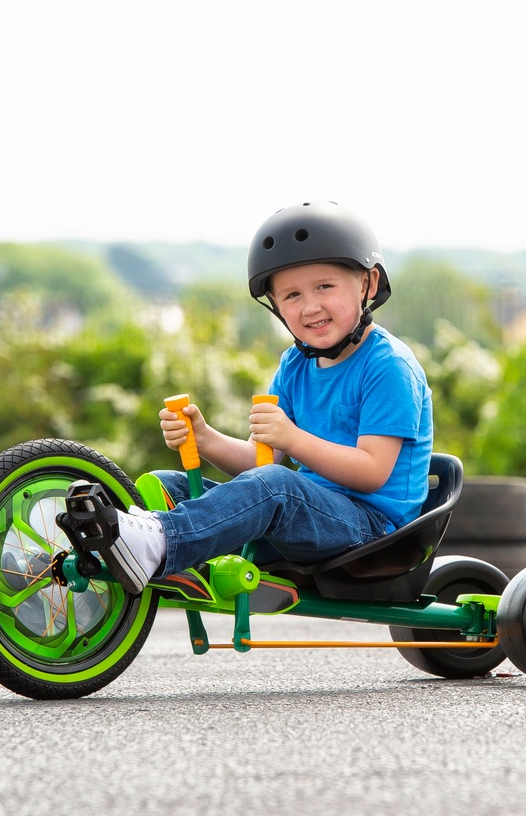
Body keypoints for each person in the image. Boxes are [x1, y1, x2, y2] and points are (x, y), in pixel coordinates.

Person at [94, 200, 433, 594]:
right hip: (310, 514)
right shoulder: (294, 365)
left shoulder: (388, 367)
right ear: (275, 306)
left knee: (275, 485)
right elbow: (260, 461)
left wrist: (292, 438)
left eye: (324, 286)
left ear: (367, 284)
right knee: (168, 484)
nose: (310, 306)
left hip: (373, 528)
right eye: (291, 295)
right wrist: (205, 439)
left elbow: (372, 472)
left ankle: (159, 543)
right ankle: (109, 551)